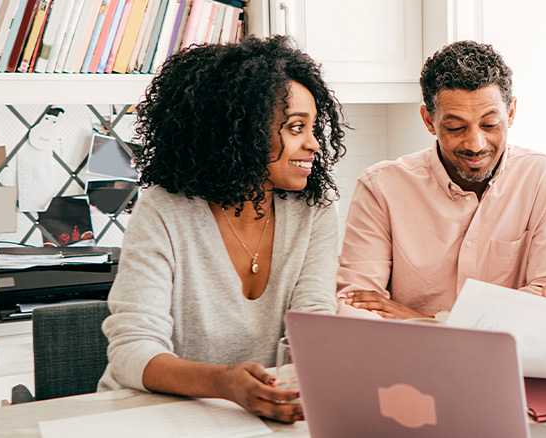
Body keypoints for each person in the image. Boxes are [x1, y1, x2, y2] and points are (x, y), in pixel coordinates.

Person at [99, 36, 364, 423]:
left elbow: (313, 327)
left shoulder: (315, 210)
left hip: (261, 416)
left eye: (313, 128)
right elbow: (131, 352)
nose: (313, 144)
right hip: (156, 416)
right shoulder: (163, 210)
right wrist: (225, 383)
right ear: (240, 130)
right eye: (295, 128)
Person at [336, 40, 546, 319]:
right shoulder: (380, 188)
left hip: (510, 360)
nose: (475, 144)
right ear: (429, 120)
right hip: (408, 360)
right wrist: (501, 314)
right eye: (455, 127)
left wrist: (425, 320)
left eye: (489, 125)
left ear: (510, 114)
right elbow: (357, 306)